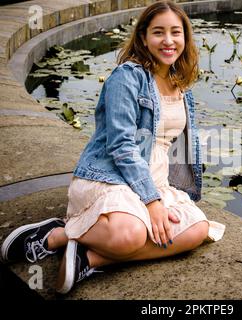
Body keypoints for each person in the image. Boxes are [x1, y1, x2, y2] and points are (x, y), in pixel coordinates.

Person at [1, 0, 225, 294]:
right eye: (159, 32)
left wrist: (165, 196)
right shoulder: (128, 77)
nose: (169, 41)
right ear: (143, 37)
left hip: (154, 184)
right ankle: (55, 235)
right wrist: (152, 203)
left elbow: (173, 148)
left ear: (186, 37)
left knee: (197, 230)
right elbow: (121, 146)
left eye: (176, 32)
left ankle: (89, 257)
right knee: (130, 236)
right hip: (110, 179)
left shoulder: (181, 86)